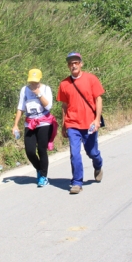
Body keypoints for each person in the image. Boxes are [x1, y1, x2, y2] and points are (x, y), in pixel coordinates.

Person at [57, 52, 104, 194]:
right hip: (72, 124)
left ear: (81, 64)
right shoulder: (64, 84)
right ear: (68, 66)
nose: (73, 65)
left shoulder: (91, 79)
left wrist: (97, 120)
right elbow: (64, 106)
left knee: (92, 152)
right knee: (74, 153)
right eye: (71, 63)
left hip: (89, 124)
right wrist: (64, 124)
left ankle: (98, 164)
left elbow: (98, 100)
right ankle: (77, 182)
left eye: (76, 62)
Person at [12, 69, 58, 188]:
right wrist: (15, 125)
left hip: (44, 122)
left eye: (35, 81)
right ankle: (39, 169)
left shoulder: (46, 89)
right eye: (31, 81)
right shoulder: (24, 90)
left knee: (42, 150)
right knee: (30, 151)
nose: (33, 84)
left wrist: (38, 93)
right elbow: (20, 108)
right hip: (30, 123)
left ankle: (43, 176)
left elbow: (48, 106)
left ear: (40, 80)